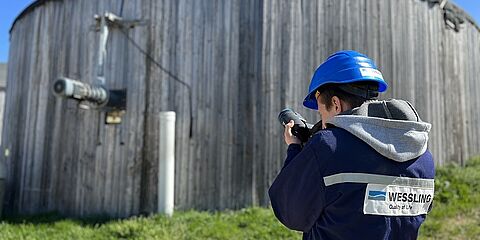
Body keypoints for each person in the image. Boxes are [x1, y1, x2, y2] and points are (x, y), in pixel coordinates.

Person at [268, 50, 435, 240]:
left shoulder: (328, 146)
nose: (322, 123)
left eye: (322, 112)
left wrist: (294, 150)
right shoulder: (423, 156)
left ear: (336, 104)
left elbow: (291, 213)